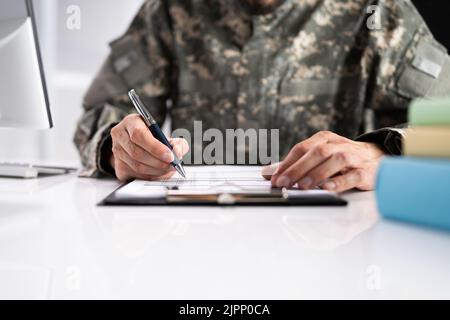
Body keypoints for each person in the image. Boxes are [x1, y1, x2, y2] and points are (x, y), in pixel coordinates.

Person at [74, 0, 450, 192]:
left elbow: (445, 123)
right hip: (200, 239)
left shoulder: (376, 11)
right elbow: (100, 115)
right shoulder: (174, 10)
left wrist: (380, 152)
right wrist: (117, 149)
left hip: (340, 247)